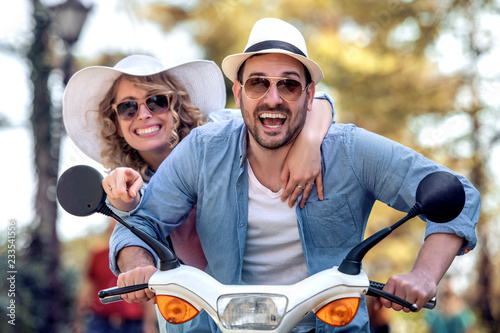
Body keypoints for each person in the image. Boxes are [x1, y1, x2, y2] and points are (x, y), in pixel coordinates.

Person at [107, 18, 480, 332]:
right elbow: (139, 221)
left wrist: (424, 276)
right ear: (238, 94)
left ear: (309, 94)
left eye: (288, 84)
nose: (272, 98)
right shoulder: (204, 149)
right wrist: (139, 268)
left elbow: (459, 194)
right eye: (257, 84)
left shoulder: (350, 151)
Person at [63, 53, 333, 331]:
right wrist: (135, 255)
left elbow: (319, 102)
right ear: (115, 121)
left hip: (285, 305)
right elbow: (131, 233)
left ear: (176, 104)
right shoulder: (127, 185)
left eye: (157, 101)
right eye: (128, 108)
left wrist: (309, 143)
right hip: (201, 321)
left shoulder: (221, 133)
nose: (144, 114)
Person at [72, 219, 158, 333]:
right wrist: (78, 320)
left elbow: (146, 290)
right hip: (100, 321)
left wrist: (149, 324)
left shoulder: (142, 257)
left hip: (133, 322)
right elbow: (87, 288)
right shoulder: (98, 255)